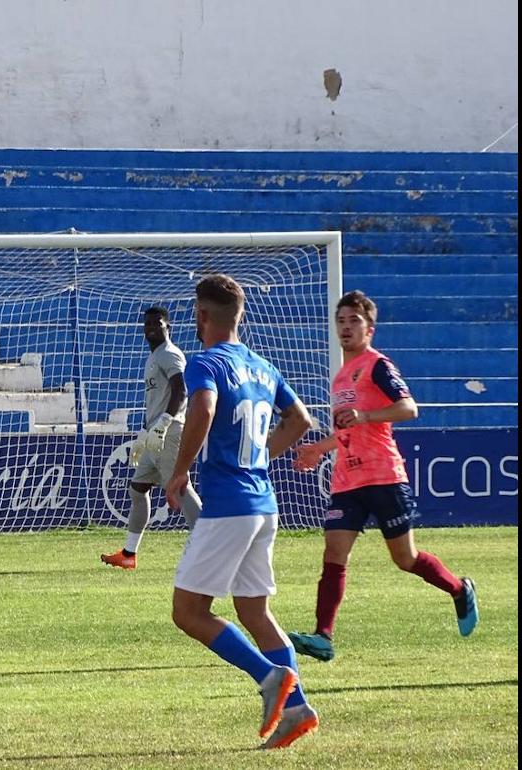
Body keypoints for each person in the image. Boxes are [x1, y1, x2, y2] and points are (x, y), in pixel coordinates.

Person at [166, 274, 318, 749]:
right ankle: (296, 709)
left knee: (189, 612)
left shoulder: (205, 362)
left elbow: (204, 408)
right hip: (263, 502)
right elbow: (301, 420)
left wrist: (180, 471)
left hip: (229, 506)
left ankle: (268, 677)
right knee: (255, 611)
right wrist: (260, 457)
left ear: (203, 315)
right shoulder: (261, 365)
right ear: (241, 316)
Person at [288, 290, 478, 662]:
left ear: (369, 329)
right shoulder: (341, 376)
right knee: (333, 552)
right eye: (341, 321)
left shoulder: (377, 365)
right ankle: (323, 637)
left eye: (354, 321)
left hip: (384, 476)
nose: (346, 327)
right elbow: (347, 429)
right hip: (348, 480)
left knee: (404, 559)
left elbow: (409, 408)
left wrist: (366, 417)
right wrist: (319, 448)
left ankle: (458, 588)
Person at [101, 306, 201, 569]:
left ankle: (207, 546)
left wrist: (164, 423)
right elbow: (160, 399)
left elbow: (181, 391)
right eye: (147, 324)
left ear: (169, 327)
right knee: (138, 489)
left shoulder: (170, 354)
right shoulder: (156, 356)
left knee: (180, 487)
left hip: (169, 433)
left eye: (157, 323)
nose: (151, 328)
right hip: (156, 435)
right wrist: (146, 432)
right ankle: (129, 554)